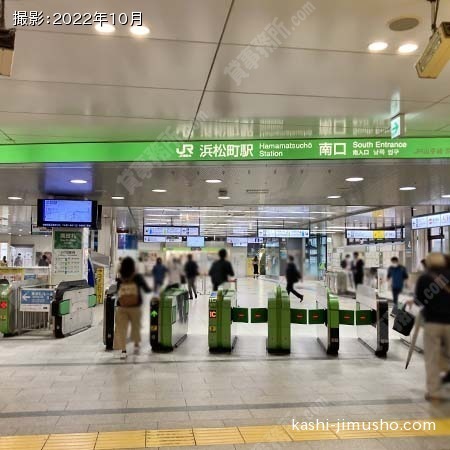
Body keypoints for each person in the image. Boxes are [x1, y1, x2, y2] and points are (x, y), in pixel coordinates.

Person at [414, 252, 450, 401]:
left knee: (432, 359)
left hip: (432, 322)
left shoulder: (424, 278)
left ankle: (434, 392)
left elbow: (418, 300)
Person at [113, 257, 151, 359]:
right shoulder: (137, 277)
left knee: (122, 329)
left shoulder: (120, 278)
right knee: (136, 326)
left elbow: (118, 292)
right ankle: (136, 343)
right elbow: (147, 289)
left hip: (122, 306)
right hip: (135, 306)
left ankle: (123, 350)